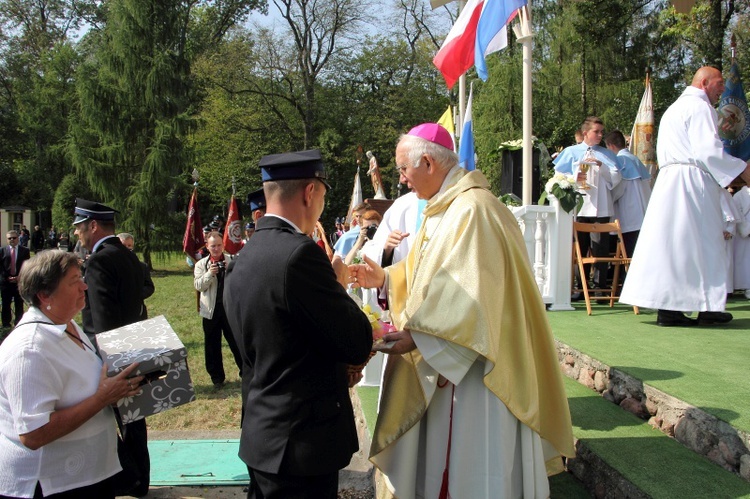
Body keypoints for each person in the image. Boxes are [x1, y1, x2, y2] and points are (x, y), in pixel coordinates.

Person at [349, 123, 575, 498]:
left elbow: (473, 294)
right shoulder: (450, 206)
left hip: (478, 371)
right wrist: (387, 279)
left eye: (404, 169)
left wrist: (419, 336)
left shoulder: (472, 210)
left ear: (427, 162)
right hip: (456, 358)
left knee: (472, 467)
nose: (402, 180)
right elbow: (433, 272)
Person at [224, 149, 372, 499]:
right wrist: (338, 285)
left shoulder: (244, 256)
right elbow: (356, 341)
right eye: (322, 195)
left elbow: (266, 342)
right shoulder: (300, 255)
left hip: (263, 434)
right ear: (310, 193)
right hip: (301, 445)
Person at [0, 250, 143, 499]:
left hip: (89, 476)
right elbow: (33, 434)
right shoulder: (30, 349)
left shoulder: (67, 324)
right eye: (74, 280)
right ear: (45, 295)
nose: (84, 286)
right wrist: (102, 398)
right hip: (51, 484)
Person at [621, 67, 750, 327]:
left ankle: (670, 308)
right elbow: (707, 152)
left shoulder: (675, 108)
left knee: (676, 246)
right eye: (719, 83)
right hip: (692, 183)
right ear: (704, 83)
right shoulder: (699, 108)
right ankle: (707, 307)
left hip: (671, 182)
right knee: (706, 243)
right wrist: (743, 169)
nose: (723, 89)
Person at [72, 198, 150, 496]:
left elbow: (101, 319)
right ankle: (139, 479)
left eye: (80, 227)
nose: (78, 233)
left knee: (108, 421)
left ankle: (129, 478)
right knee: (133, 419)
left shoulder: (100, 260)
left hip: (110, 352)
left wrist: (103, 362)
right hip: (133, 342)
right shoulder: (127, 255)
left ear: (93, 226)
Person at [554, 116, 622, 289]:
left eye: (601, 132)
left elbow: (616, 178)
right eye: (596, 131)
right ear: (585, 133)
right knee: (580, 248)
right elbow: (558, 178)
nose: (600, 135)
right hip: (580, 207)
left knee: (600, 248)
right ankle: (580, 286)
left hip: (601, 207)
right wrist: (575, 177)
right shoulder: (571, 151)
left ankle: (599, 287)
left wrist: (603, 167)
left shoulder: (607, 154)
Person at [194, 231, 243, 390]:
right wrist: (210, 274)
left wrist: (231, 270)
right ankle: (217, 378)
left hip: (229, 310)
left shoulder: (232, 260)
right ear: (207, 247)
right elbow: (199, 286)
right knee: (212, 345)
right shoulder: (201, 264)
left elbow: (240, 284)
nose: (216, 249)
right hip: (211, 310)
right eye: (213, 246)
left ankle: (246, 372)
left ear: (223, 245)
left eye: (219, 245)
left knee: (236, 342)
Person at [604, 130, 652, 257]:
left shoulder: (620, 161)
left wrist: (608, 199)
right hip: (642, 210)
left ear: (611, 146)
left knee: (628, 251)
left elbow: (618, 188)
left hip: (628, 213)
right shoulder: (635, 159)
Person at [118, 232, 155, 320]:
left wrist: (135, 295)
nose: (127, 248)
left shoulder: (142, 266)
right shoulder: (109, 267)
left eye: (129, 246)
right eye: (123, 245)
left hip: (138, 312)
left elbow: (149, 287)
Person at [1, 230, 31, 328]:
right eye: (10, 238)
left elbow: (27, 266)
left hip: (19, 282)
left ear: (18, 238)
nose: (12, 240)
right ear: (7, 239)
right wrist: (7, 277)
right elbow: (0, 267)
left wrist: (19, 277)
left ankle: (19, 323)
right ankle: (6, 324)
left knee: (19, 304)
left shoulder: (25, 251)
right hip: (6, 283)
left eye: (14, 238)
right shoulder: (2, 251)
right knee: (6, 304)